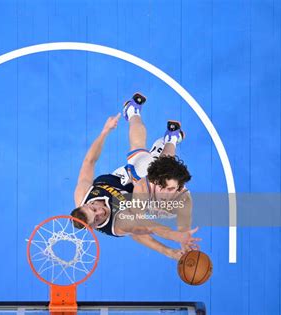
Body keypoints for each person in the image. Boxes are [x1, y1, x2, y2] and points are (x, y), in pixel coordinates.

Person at [71, 93, 198, 260]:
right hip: (138, 200)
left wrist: (105, 131)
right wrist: (173, 244)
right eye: (97, 219)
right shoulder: (118, 223)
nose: (100, 212)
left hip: (121, 178)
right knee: (161, 181)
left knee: (147, 162)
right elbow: (145, 229)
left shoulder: (82, 194)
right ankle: (167, 141)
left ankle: (134, 113)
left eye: (94, 209)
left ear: (88, 203)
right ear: (94, 227)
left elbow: (89, 161)